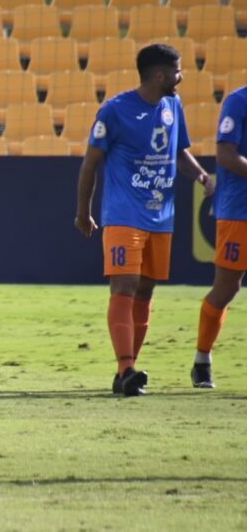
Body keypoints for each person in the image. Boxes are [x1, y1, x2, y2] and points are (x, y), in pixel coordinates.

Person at [74, 43, 213, 397]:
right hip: (123, 215)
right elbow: (90, 162)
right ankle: (126, 367)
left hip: (160, 216)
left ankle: (127, 375)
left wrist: (202, 177)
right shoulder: (115, 111)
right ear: (160, 74)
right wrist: (83, 211)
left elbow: (178, 152)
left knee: (146, 290)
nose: (182, 77)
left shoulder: (172, 105)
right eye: (178, 71)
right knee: (124, 286)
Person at [191, 83, 246, 389]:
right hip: (239, 210)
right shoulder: (239, 101)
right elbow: (225, 155)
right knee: (227, 288)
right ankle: (202, 360)